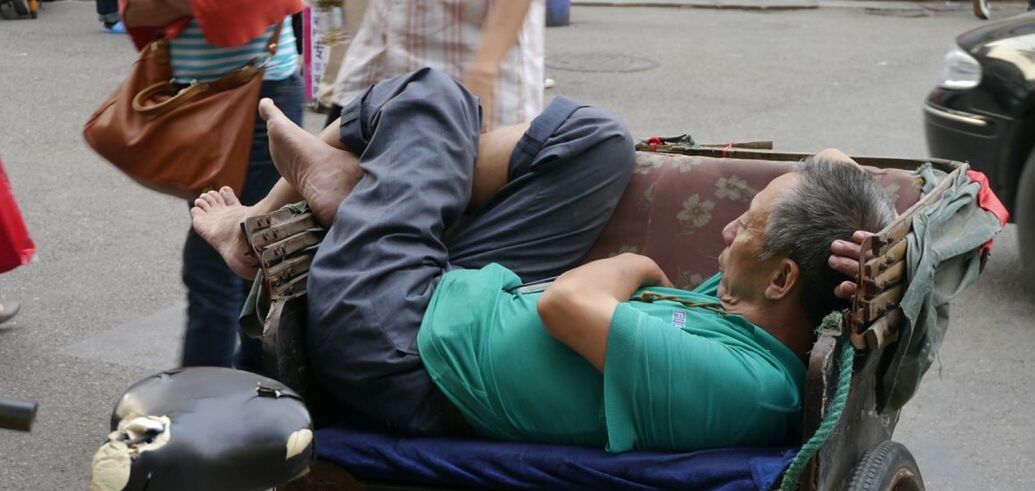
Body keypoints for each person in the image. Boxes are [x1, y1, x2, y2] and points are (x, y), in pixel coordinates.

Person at [192, 68, 892, 452]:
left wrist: (644, 268)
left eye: (750, 225)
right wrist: (879, 242)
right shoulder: (763, 305)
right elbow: (829, 164)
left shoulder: (745, 380)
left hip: (402, 345)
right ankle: (372, 192)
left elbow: (566, 306)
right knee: (596, 142)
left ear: (781, 277)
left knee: (432, 97)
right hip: (472, 301)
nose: (731, 226)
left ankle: (279, 213)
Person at [122, 0, 306, 373]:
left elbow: (235, 12)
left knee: (223, 261)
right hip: (194, 99)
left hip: (255, 94)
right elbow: (136, 12)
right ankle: (257, 387)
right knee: (247, 261)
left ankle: (207, 403)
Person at [324, 0, 544, 131]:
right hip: (380, 54)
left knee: (464, 194)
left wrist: (482, 74)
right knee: (320, 171)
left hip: (463, 62)